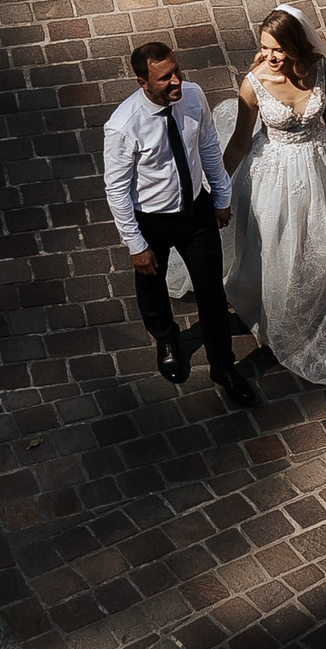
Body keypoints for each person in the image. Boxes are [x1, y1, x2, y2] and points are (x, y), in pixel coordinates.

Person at [220, 6, 326, 387]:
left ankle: (316, 289)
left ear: (297, 45)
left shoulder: (323, 69)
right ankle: (281, 310)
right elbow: (238, 141)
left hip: (314, 163)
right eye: (264, 48)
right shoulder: (253, 84)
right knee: (279, 240)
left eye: (277, 49)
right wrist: (218, 187)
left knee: (317, 232)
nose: (269, 57)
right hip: (272, 173)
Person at [101, 40, 264, 408]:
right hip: (151, 220)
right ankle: (166, 338)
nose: (176, 81)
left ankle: (223, 366)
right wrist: (136, 244)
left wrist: (220, 198)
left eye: (176, 71)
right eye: (165, 78)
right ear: (142, 81)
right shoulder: (124, 126)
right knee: (152, 288)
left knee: (212, 293)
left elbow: (207, 144)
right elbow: (116, 189)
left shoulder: (192, 96)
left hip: (195, 211)